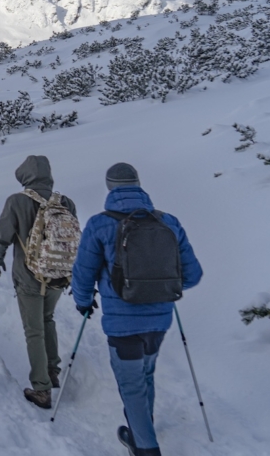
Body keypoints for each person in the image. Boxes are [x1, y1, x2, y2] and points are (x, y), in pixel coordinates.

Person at [72, 163, 203, 456]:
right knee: (146, 375)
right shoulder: (168, 221)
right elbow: (192, 276)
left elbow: (83, 272)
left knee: (131, 386)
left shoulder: (100, 224)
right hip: (159, 321)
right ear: (138, 184)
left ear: (110, 187)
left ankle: (145, 447)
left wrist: (82, 301)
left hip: (122, 324)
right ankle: (144, 425)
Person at [0, 155, 78, 410]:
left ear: (25, 176)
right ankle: (52, 371)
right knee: (47, 319)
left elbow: (2, 235)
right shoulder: (65, 202)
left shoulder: (17, 201)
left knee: (34, 331)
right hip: (58, 276)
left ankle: (41, 390)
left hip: (29, 277)